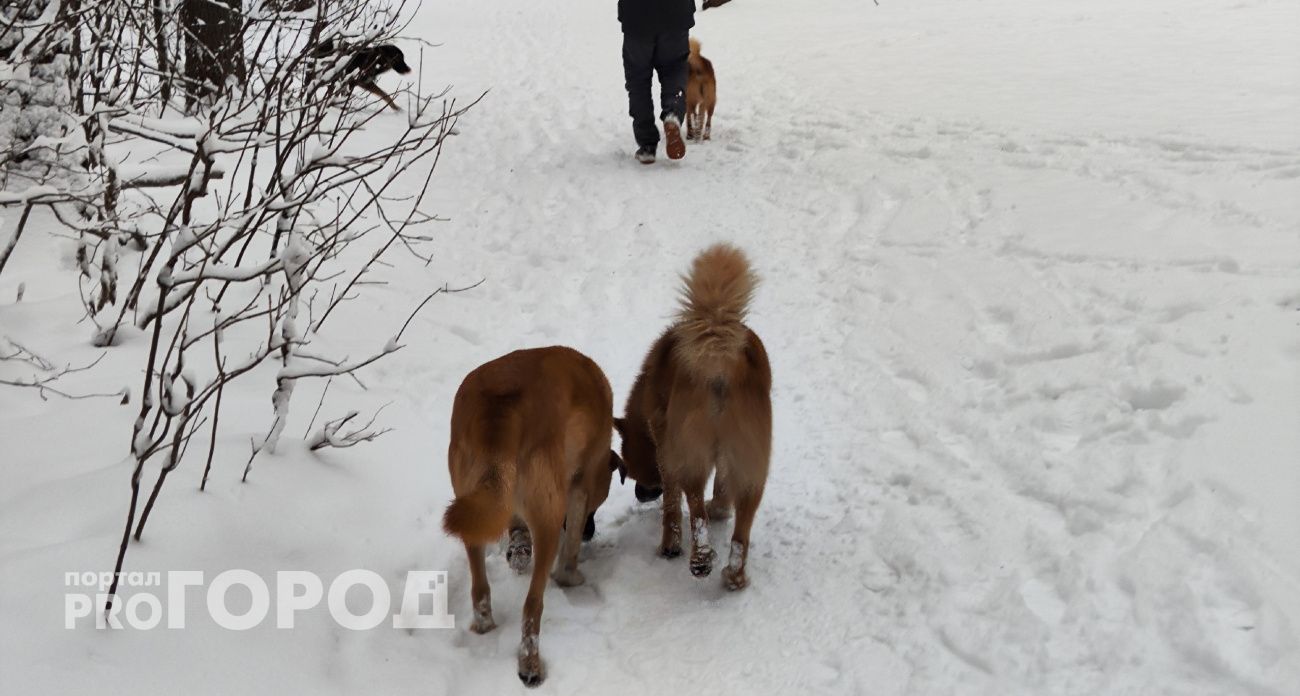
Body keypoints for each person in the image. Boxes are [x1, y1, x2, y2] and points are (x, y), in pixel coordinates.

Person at [618, 0, 696, 164]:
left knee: (638, 81)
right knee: (674, 69)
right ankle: (672, 113)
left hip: (637, 18)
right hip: (676, 15)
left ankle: (647, 146)